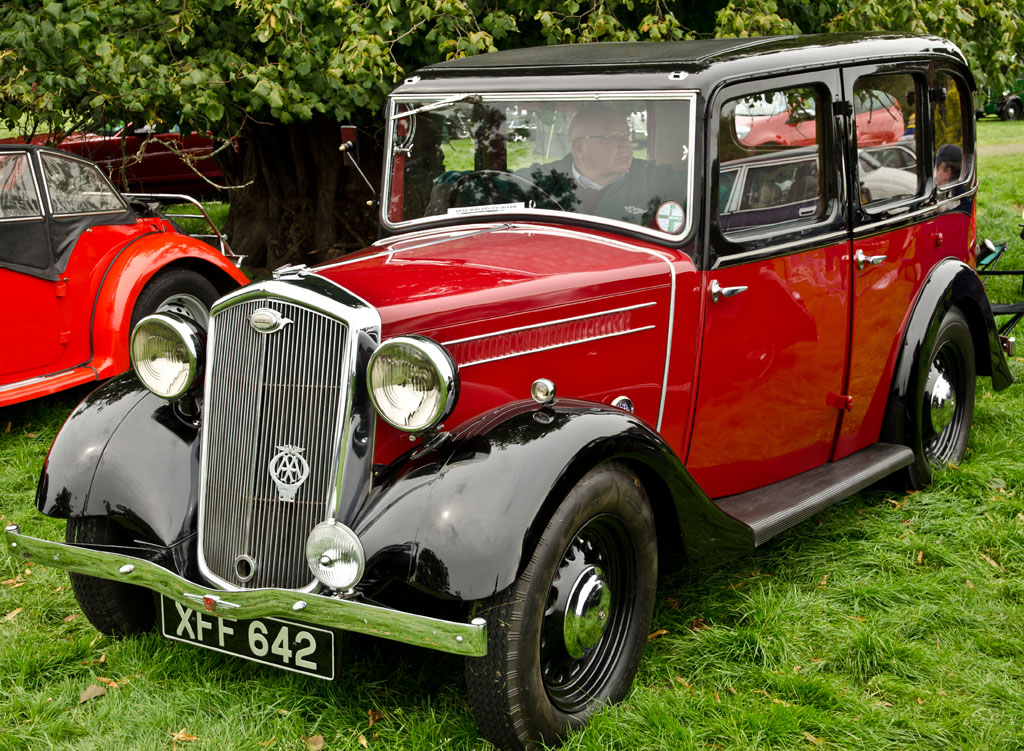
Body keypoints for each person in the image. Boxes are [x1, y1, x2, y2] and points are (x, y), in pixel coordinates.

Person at [519, 104, 688, 229]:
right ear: (579, 149)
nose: (625, 144)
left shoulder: (659, 178)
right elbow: (496, 186)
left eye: (626, 135)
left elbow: (707, 193)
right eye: (612, 137)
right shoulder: (540, 180)